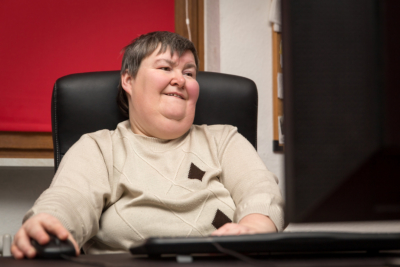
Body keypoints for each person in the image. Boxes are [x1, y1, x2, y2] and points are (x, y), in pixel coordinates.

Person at [11, 31, 284, 259]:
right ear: (128, 79)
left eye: (189, 73)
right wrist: (49, 222)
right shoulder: (99, 147)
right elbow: (69, 199)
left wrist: (256, 225)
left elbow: (259, 189)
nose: (180, 79)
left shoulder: (223, 140)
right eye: (165, 68)